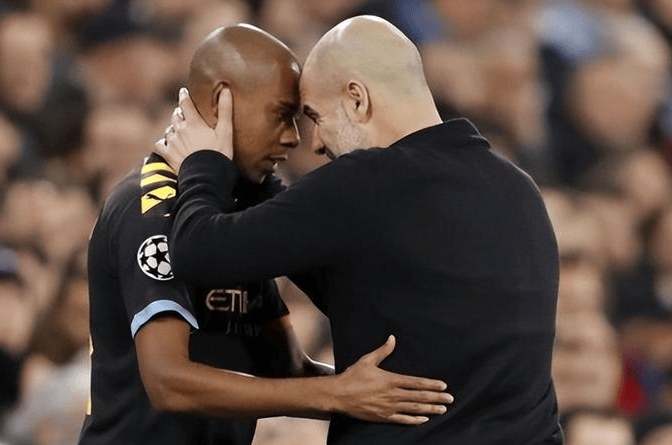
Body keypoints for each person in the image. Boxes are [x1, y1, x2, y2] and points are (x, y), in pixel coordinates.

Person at [156, 15, 563, 445]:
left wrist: (204, 161)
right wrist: (258, 174)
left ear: (357, 100)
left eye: (315, 116)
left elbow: (197, 249)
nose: (314, 143)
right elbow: (360, 288)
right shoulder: (518, 189)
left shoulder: (366, 182)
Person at [79, 24, 453, 445]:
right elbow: (168, 383)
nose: (294, 138)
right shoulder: (150, 206)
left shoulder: (230, 212)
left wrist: (387, 395)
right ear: (223, 100)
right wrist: (340, 394)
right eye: (281, 114)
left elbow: (286, 367)